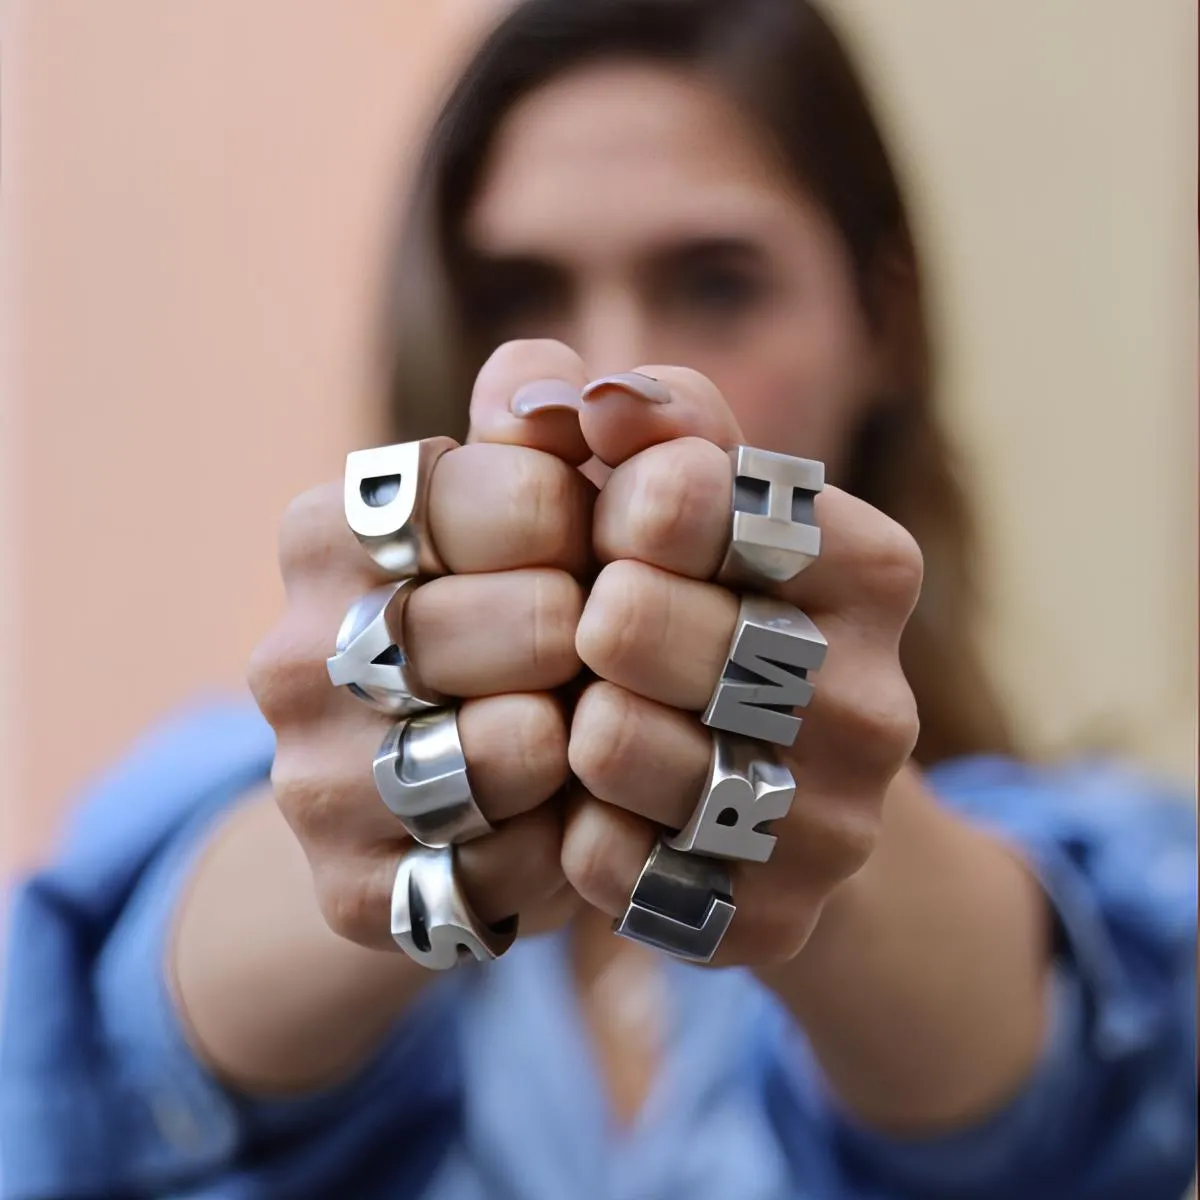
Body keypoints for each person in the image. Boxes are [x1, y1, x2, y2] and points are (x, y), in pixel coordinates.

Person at [2, 0, 1195, 1197]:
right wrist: (357, 869)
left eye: (716, 285)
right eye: (523, 292)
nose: (604, 374)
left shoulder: (1110, 862)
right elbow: (86, 1042)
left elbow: (1091, 1065)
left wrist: (829, 857)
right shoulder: (276, 785)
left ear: (877, 321)